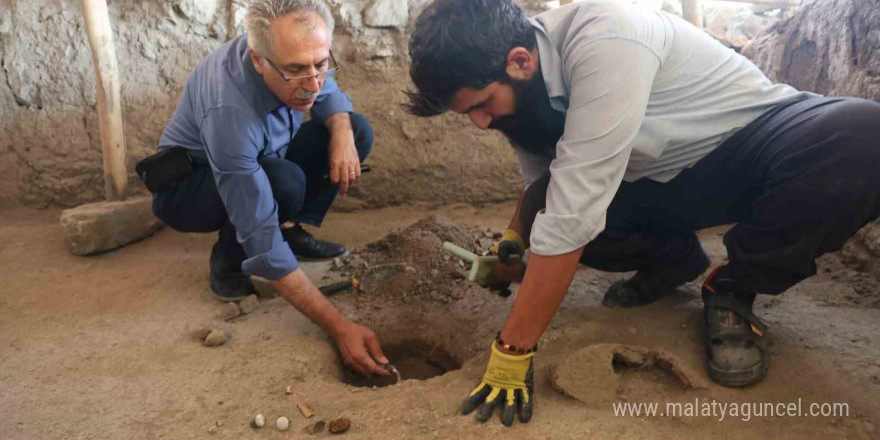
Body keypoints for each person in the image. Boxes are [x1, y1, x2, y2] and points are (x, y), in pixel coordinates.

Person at [405, 0, 880, 427]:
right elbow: (542, 186)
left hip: (748, 141)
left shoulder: (606, 34)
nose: (480, 122)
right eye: (467, 113)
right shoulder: (521, 96)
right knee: (557, 207)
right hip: (659, 179)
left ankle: (734, 286)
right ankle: (675, 260)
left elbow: (574, 207)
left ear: (520, 61)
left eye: (483, 105)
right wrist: (511, 243)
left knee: (863, 137)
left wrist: (512, 350)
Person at [151, 0, 390, 378]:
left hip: (262, 159)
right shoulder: (229, 109)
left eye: (321, 64)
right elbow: (257, 224)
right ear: (259, 60)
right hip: (188, 188)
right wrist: (338, 326)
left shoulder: (295, 56)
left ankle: (290, 230)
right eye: (296, 71)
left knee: (355, 129)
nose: (313, 84)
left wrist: (342, 134)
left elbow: (326, 91)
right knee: (281, 183)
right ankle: (228, 267)